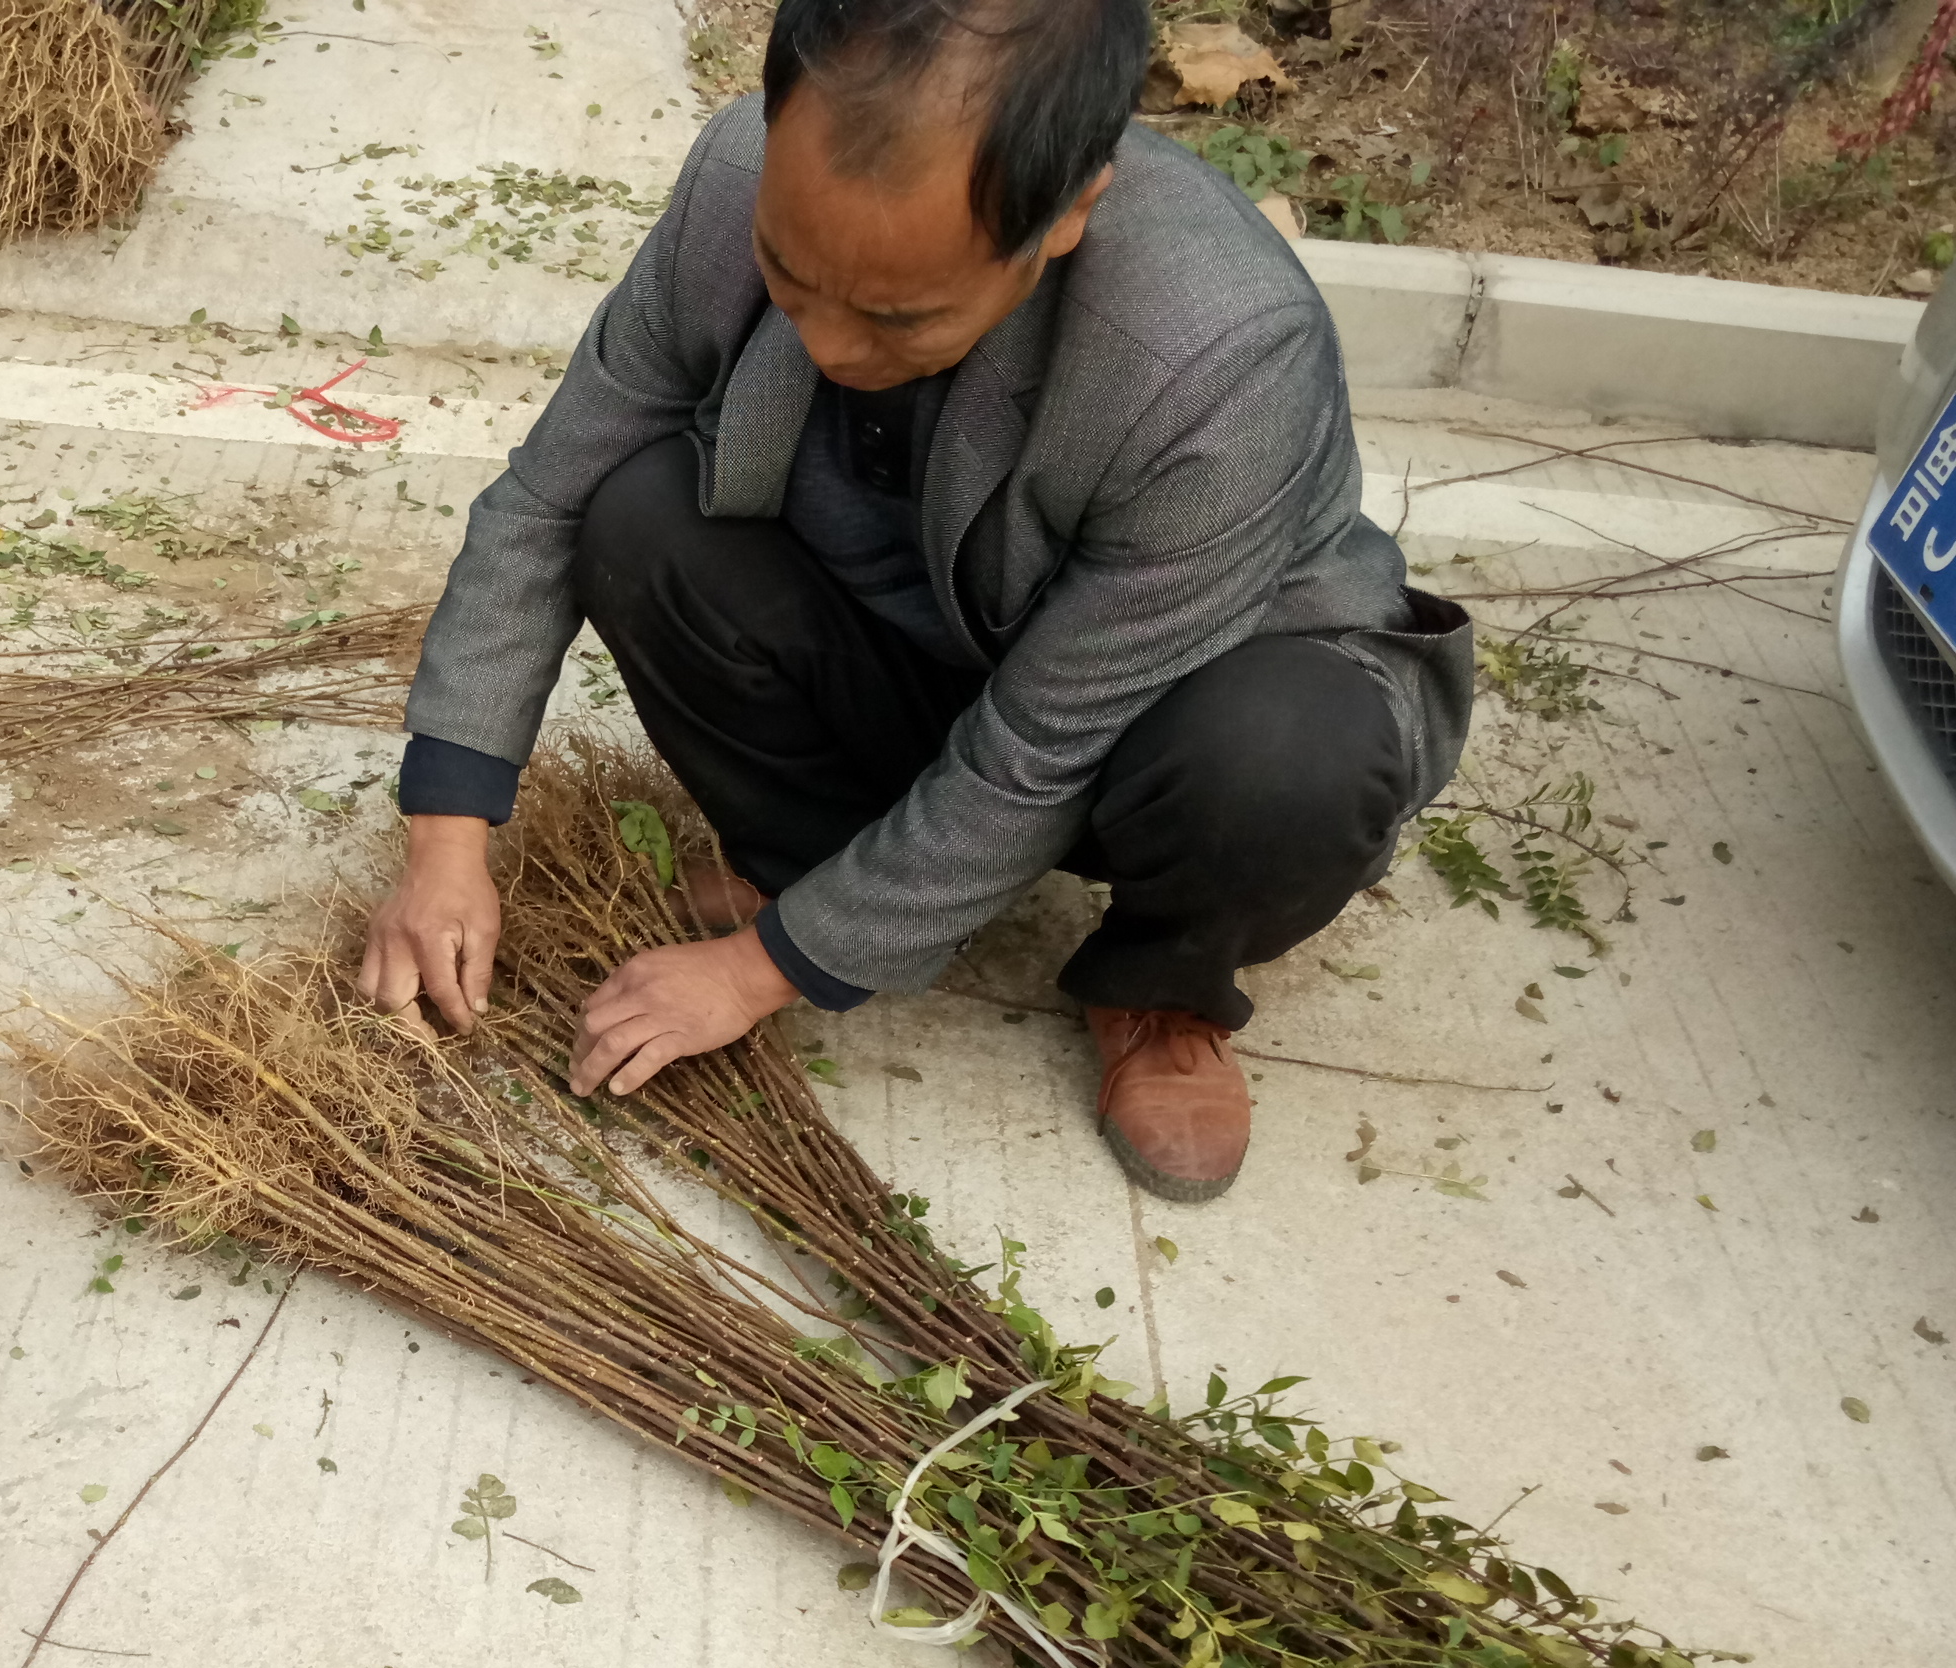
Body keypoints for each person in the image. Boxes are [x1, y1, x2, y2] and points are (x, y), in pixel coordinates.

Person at [359, 0, 1473, 1202]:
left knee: (1284, 758)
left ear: (1070, 212)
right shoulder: (739, 170)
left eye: (901, 317)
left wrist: (751, 977)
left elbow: (1041, 748)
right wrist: (446, 838)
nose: (830, 346)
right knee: (638, 516)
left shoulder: (1221, 356)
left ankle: (1160, 988)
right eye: (790, 275)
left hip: (1161, 719)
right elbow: (546, 499)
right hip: (942, 638)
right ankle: (824, 870)